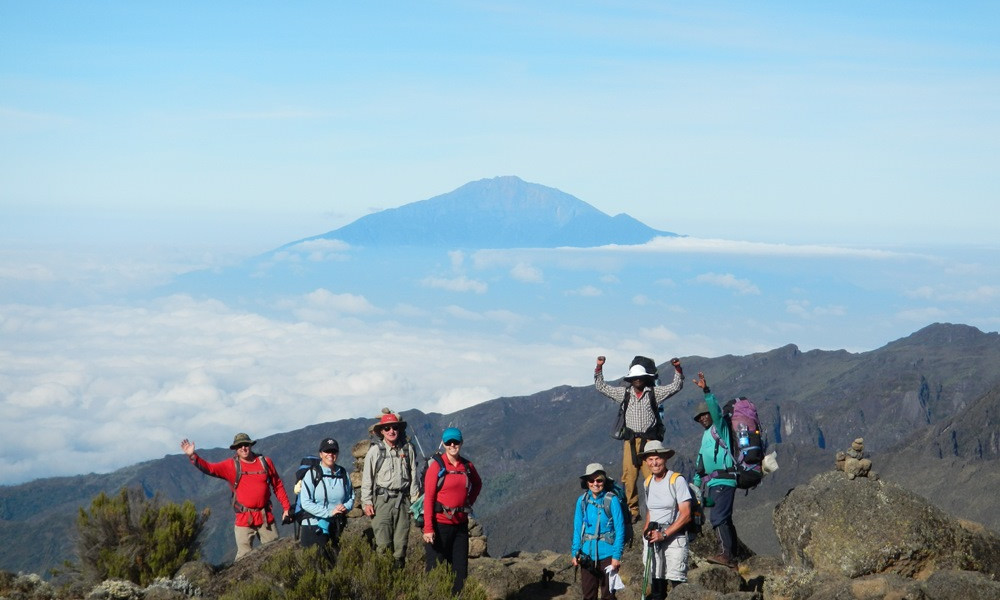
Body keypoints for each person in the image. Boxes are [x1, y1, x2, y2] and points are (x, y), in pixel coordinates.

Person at [594, 355, 684, 522]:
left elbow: (676, 386)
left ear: (645, 378)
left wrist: (677, 369)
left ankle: (657, 509)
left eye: (640, 377)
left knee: (653, 475)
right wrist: (599, 368)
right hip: (630, 441)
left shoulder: (654, 393)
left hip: (650, 442)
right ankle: (633, 511)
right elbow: (601, 387)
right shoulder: (624, 394)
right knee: (629, 476)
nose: (637, 380)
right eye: (634, 378)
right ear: (631, 379)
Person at [180, 433, 291, 561]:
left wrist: (286, 508)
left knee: (276, 554)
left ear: (250, 445)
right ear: (235, 449)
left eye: (246, 444)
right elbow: (210, 469)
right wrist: (193, 456)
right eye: (239, 446)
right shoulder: (231, 465)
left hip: (265, 516)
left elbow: (277, 485)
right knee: (243, 559)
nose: (243, 448)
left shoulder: (265, 462)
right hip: (244, 519)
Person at [422, 427, 482, 594]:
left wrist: (469, 501)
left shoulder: (467, 466)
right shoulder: (436, 467)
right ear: (444, 444)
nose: (452, 445)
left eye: (456, 441)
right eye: (449, 442)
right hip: (439, 526)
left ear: (461, 443)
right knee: (436, 571)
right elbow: (429, 499)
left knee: (460, 572)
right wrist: (428, 528)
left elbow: (477, 484)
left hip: (460, 526)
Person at [361, 408, 420, 568]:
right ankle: (383, 584)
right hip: (382, 502)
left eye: (395, 427)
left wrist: (415, 502)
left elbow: (414, 476)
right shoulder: (375, 451)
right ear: (381, 431)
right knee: (383, 545)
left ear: (399, 429)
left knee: (401, 546)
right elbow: (368, 478)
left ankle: (398, 581)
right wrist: (367, 502)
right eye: (387, 428)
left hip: (403, 502)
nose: (391, 431)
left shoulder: (408, 450)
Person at [692, 371, 740, 568]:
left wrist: (706, 391)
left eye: (705, 415)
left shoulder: (720, 428)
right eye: (700, 417)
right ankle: (733, 556)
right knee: (722, 517)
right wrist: (694, 486)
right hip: (712, 483)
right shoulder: (705, 436)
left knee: (718, 517)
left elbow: (716, 411)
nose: (703, 418)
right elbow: (700, 463)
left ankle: (726, 555)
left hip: (724, 480)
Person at [639, 440, 691, 599]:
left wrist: (665, 534)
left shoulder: (677, 480)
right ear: (646, 462)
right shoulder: (647, 483)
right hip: (653, 540)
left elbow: (686, 513)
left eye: (658, 458)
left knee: (677, 586)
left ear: (665, 459)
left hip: (674, 540)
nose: (654, 463)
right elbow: (650, 510)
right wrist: (646, 531)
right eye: (650, 459)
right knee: (656, 585)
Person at [570, 463, 625, 600]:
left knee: (608, 595)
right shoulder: (582, 501)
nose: (595, 483)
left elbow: (620, 529)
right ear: (586, 482)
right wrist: (575, 552)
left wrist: (616, 556)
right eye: (591, 480)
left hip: (608, 555)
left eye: (599, 480)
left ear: (604, 481)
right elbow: (577, 528)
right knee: (588, 595)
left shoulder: (612, 500)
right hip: (586, 555)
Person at [298, 437, 354, 560]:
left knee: (332, 564)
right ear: (321, 454)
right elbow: (305, 502)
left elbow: (351, 497)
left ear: (337, 453)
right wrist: (329, 513)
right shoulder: (312, 474)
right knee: (315, 566)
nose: (330, 454)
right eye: (327, 451)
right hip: (313, 526)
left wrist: (345, 507)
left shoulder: (343, 473)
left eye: (333, 451)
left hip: (336, 526)